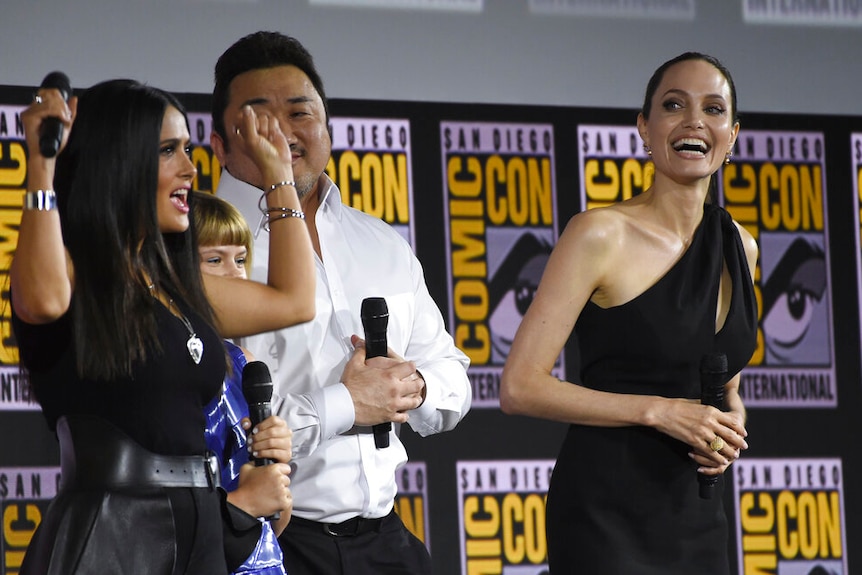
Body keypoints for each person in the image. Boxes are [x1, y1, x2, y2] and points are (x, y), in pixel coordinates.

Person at [12, 77, 314, 574]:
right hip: (112, 536)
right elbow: (42, 301)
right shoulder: (72, 274)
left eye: (189, 149)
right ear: (119, 163)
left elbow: (295, 300)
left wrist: (279, 174)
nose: (190, 170)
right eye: (168, 151)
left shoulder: (174, 285)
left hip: (200, 530)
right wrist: (42, 166)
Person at [211, 31, 472, 575]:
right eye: (259, 117)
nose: (282, 132)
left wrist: (409, 387)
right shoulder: (199, 253)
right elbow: (212, 430)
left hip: (388, 541)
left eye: (301, 113)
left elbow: (453, 377)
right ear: (218, 143)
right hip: (262, 543)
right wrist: (348, 403)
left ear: (328, 128)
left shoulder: (380, 242)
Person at [500, 52, 758, 574]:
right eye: (673, 105)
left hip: (697, 513)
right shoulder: (599, 234)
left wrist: (729, 426)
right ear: (645, 127)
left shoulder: (742, 247)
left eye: (712, 109)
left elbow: (725, 384)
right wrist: (658, 411)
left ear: (731, 135)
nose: (693, 122)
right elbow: (520, 386)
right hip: (604, 514)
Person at [193, 190, 290, 575]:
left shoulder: (242, 363)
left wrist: (277, 467)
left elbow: (275, 526)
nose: (236, 275)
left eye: (241, 260)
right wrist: (241, 503)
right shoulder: (158, 373)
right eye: (215, 260)